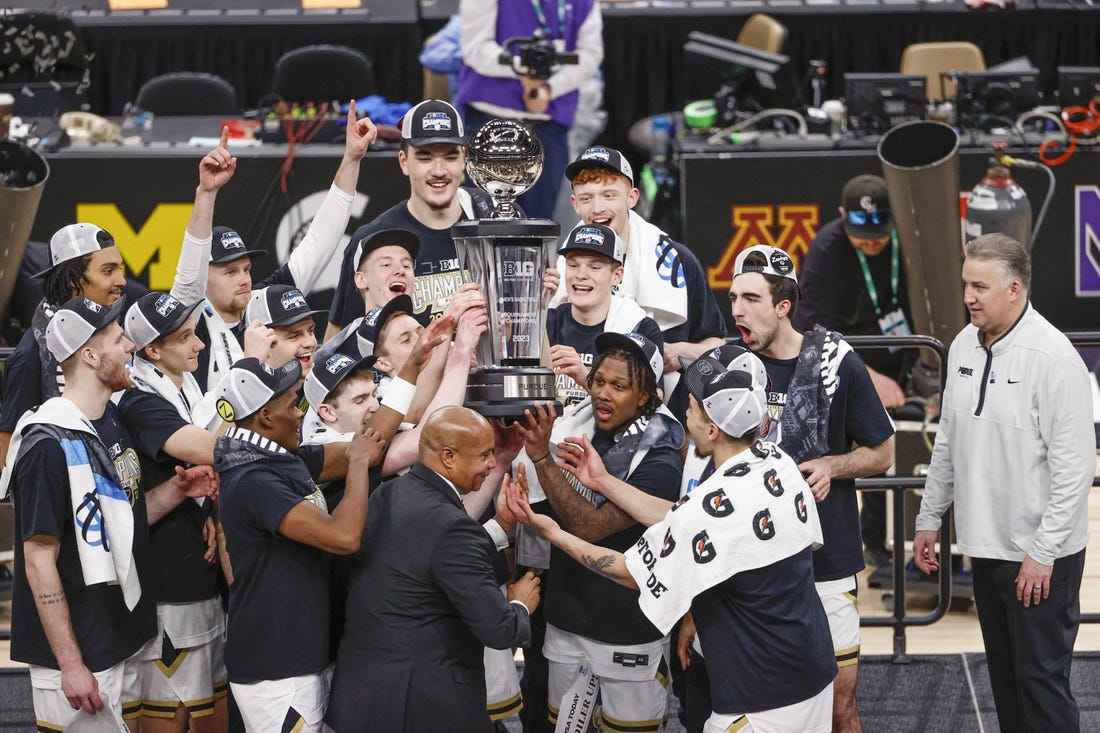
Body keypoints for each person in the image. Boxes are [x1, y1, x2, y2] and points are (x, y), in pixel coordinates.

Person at [506, 352, 837, 733]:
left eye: (692, 409)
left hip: (758, 696)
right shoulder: (777, 462)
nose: (685, 415)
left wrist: (553, 533)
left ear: (711, 430)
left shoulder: (706, 514)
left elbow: (629, 570)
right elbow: (683, 513)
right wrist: (603, 481)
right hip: (812, 669)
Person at [0, 296, 217, 732]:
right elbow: (39, 559)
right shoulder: (46, 445)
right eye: (119, 340)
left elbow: (122, 522)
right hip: (79, 658)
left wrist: (176, 490)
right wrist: (71, 663)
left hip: (121, 639)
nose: (129, 348)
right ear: (90, 355)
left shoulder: (111, 421)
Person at [913, 233, 1095, 733]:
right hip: (986, 549)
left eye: (980, 286)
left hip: (1040, 557)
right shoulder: (962, 345)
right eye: (966, 284)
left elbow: (1074, 471)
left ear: (1014, 289)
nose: (968, 296)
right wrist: (930, 518)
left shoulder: (1055, 360)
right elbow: (948, 439)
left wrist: (1043, 552)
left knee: (1041, 683)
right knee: (1007, 683)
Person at [728, 244, 895, 733]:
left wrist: (832, 465)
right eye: (734, 296)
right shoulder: (730, 364)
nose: (737, 308)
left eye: (752, 298)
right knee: (762, 711)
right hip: (749, 569)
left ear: (783, 306)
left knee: (840, 709)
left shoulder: (836, 361)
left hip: (826, 564)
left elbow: (883, 452)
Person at [328, 405, 541, 732]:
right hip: (422, 703)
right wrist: (519, 605)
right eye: (484, 455)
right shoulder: (451, 526)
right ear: (449, 457)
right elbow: (499, 629)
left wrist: (500, 525)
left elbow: (429, 560)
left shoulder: (388, 493)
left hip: (366, 693)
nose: (490, 464)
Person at [515, 332, 684, 733]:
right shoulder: (574, 426)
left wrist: (541, 458)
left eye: (620, 386)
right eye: (599, 381)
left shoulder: (660, 456)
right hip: (566, 620)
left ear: (646, 396)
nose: (604, 394)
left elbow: (588, 526)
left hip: (628, 633)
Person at [212, 357, 386, 733]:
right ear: (266, 418)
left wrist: (418, 367)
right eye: (292, 404)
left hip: (297, 652)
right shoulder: (254, 479)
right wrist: (357, 465)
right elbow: (343, 537)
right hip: (276, 667)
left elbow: (370, 443)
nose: (300, 413)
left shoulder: (277, 458)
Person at [193, 105, 377, 390]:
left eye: (246, 269)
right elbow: (188, 269)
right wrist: (206, 193)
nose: (244, 279)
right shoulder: (188, 325)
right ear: (202, 278)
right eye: (230, 272)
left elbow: (319, 242)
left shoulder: (261, 303)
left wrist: (352, 158)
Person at [793, 173, 915, 572]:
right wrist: (868, 375)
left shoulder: (908, 239)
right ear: (843, 215)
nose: (872, 243)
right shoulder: (827, 248)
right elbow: (813, 326)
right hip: (853, 363)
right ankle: (874, 545)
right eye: (863, 236)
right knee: (871, 446)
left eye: (880, 234)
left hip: (909, 358)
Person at [117, 292, 227, 732]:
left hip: (197, 584)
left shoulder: (185, 388)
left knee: (209, 715)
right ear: (152, 351)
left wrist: (213, 511)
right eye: (184, 338)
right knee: (173, 717)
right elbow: (206, 449)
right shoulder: (138, 401)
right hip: (166, 590)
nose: (198, 344)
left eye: (196, 333)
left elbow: (200, 476)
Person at [549, 146, 727, 410]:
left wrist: (680, 352)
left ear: (631, 198)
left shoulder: (677, 261)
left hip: (666, 416)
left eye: (609, 195)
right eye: (587, 198)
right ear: (574, 204)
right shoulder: (564, 269)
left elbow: (718, 346)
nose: (598, 208)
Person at [326, 99, 497, 337]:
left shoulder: (494, 216)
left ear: (464, 160)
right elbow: (337, 346)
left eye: (450, 157)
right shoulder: (373, 241)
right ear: (404, 162)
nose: (439, 171)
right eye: (425, 158)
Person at [455, 0, 604, 220]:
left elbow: (590, 55)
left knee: (538, 224)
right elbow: (474, 47)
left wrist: (550, 88)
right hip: (490, 121)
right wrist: (522, 68)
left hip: (548, 125)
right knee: (481, 219)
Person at [546, 222, 662, 408]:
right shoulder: (546, 321)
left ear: (617, 275)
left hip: (607, 437)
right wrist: (539, 307)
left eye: (594, 267)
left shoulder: (638, 326)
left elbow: (654, 402)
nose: (581, 275)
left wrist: (586, 379)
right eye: (573, 265)